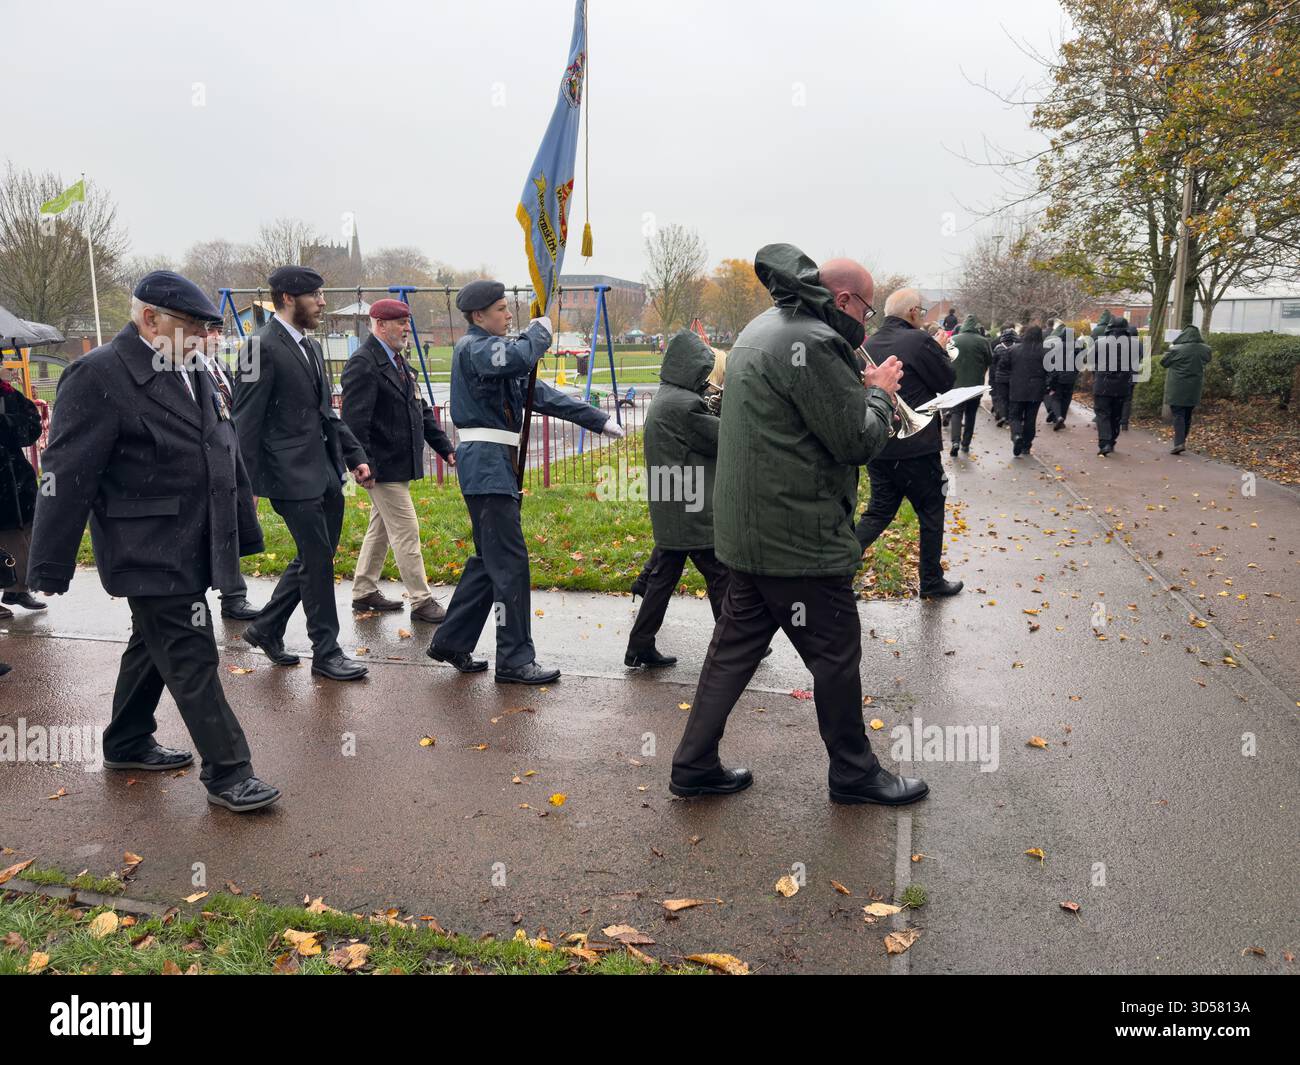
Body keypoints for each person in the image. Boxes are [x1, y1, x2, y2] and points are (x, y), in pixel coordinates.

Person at [670, 244, 928, 806]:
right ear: (842, 298)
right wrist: (880, 393)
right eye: (866, 309)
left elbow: (799, 418)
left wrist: (858, 390)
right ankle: (855, 774)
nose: (868, 321)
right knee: (835, 657)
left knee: (733, 651)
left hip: (747, 530)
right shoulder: (812, 342)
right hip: (797, 538)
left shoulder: (765, 326)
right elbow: (856, 441)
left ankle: (693, 765)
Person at [26, 271, 279, 812]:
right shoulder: (97, 375)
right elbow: (67, 474)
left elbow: (222, 451)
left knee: (152, 644)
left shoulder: (194, 370)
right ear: (149, 319)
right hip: (146, 546)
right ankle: (230, 773)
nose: (202, 337)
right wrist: (49, 563)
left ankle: (126, 741)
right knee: (191, 651)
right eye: (191, 326)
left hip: (197, 538)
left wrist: (242, 525)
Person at [426, 279, 623, 685]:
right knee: (510, 565)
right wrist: (541, 331)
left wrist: (599, 420)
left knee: (488, 562)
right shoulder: (476, 348)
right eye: (500, 309)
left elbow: (543, 396)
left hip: (495, 464)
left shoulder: (496, 356)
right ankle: (515, 660)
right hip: (485, 466)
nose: (507, 313)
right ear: (478, 316)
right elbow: (516, 358)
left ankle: (451, 641)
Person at [232, 267, 374, 682]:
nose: (323, 302)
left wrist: (353, 455)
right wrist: (246, 484)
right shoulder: (259, 348)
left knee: (316, 556)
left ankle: (266, 628)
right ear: (289, 298)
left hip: (326, 472)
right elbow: (245, 422)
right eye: (316, 295)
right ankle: (326, 652)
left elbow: (325, 412)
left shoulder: (309, 348)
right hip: (289, 476)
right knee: (317, 561)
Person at [341, 299, 455, 623]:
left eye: (408, 322)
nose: (407, 329)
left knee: (380, 528)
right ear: (379, 324)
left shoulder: (398, 362)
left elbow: (420, 411)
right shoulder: (364, 363)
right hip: (380, 468)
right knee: (406, 529)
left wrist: (444, 446)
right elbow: (353, 422)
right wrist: (360, 463)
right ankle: (422, 602)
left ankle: (364, 592)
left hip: (397, 464)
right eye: (400, 323)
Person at [624, 330, 729, 669]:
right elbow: (723, 438)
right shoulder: (687, 405)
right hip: (690, 506)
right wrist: (728, 407)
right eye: (703, 369)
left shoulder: (668, 397)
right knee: (720, 576)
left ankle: (639, 646)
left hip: (673, 500)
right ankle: (734, 645)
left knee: (662, 580)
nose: (706, 376)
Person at [854, 288, 962, 598]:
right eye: (922, 310)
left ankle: (839, 570)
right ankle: (931, 580)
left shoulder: (869, 343)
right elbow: (945, 381)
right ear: (913, 312)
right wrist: (938, 350)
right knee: (931, 508)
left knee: (878, 512)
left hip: (880, 444)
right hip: (917, 447)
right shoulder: (919, 340)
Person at [200, 322, 261, 621]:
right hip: (209, 465)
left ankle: (233, 596)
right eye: (210, 331)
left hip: (234, 459)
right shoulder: (188, 370)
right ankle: (226, 596)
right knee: (212, 529)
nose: (215, 337)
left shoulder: (220, 368)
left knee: (232, 525)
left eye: (219, 331)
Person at [0, 367, 45, 618]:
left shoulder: (9, 394)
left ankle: (16, 588)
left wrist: (6, 423)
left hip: (14, 479)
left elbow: (32, 427)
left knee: (19, 535)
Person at [1161, 325, 1212, 454]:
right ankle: (1182, 440)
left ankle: (1179, 443)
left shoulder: (1176, 350)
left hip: (1177, 387)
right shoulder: (1205, 350)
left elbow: (1164, 363)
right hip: (1194, 387)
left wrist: (1170, 350)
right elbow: (1207, 360)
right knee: (1188, 414)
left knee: (1178, 414)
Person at [1092, 315, 1137, 456]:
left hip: (1102, 384)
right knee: (1116, 415)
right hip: (1122, 385)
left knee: (1102, 414)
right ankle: (1111, 441)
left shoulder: (1100, 343)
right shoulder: (1134, 344)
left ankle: (1104, 442)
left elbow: (1090, 359)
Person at [948, 313, 991, 455]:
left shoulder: (953, 339)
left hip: (956, 383)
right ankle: (966, 444)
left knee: (956, 412)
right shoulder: (983, 341)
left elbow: (946, 360)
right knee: (971, 414)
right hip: (975, 384)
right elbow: (989, 360)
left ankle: (955, 441)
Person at [1007, 322, 1047, 456]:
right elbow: (1051, 372)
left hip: (1017, 388)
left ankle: (1017, 435)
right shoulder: (1045, 351)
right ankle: (1026, 445)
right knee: (1031, 418)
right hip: (1036, 390)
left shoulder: (1014, 349)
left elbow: (1004, 368)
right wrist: (1047, 386)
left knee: (1015, 416)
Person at [1044, 319, 1082, 430]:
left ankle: (1058, 417)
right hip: (1071, 377)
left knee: (1056, 397)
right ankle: (1062, 419)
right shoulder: (1077, 346)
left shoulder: (1058, 346)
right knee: (1067, 398)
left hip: (1059, 376)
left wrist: (1051, 375)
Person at [989, 324, 1017, 426]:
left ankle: (1003, 415)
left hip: (1000, 377)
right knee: (1011, 397)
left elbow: (993, 363)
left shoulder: (998, 348)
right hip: (1013, 377)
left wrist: (993, 376)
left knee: (1001, 397)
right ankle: (1010, 417)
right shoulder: (1016, 348)